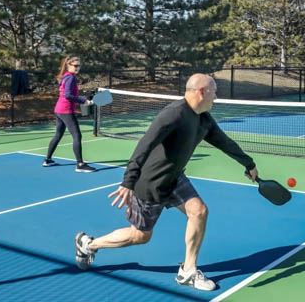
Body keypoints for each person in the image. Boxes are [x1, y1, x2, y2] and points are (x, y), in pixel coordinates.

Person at [74, 73, 258, 291]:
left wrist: (249, 163)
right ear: (201, 92)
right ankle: (88, 244)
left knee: (199, 211)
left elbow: (224, 142)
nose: (216, 97)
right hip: (151, 182)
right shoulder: (174, 114)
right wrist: (128, 181)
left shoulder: (204, 119)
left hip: (175, 177)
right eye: (214, 92)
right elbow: (145, 145)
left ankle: (188, 270)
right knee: (140, 236)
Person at [43, 56, 96, 172]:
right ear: (68, 66)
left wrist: (83, 99)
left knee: (58, 134)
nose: (78, 68)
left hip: (59, 109)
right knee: (77, 136)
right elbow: (68, 95)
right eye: (75, 66)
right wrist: (83, 100)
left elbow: (67, 94)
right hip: (66, 110)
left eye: (79, 66)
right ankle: (80, 164)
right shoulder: (70, 78)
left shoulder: (66, 77)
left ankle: (47, 160)